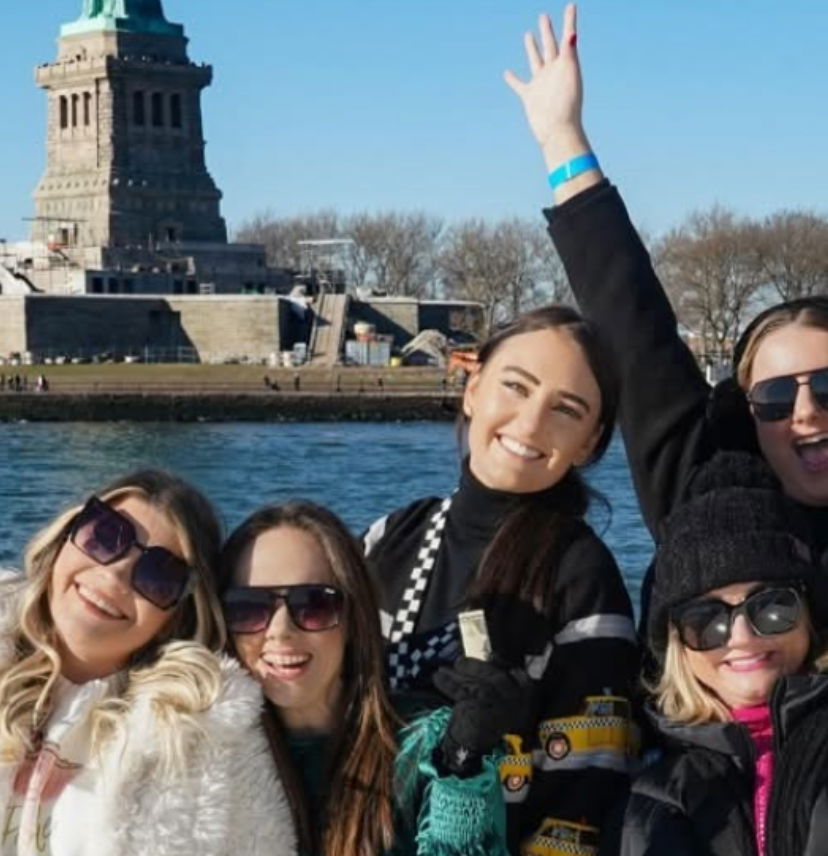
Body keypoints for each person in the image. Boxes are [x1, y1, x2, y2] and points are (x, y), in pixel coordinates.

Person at [505, 7, 828, 557]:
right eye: (775, 396)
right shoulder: (703, 496)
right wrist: (562, 138)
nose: (806, 410)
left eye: (826, 385)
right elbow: (634, 330)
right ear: (747, 414)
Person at [364, 306, 639, 853]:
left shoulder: (581, 575)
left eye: (566, 409)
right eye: (516, 387)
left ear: (590, 443)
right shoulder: (391, 536)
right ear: (473, 389)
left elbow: (584, 801)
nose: (531, 424)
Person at [0, 470, 295, 856]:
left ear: (176, 616)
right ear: (65, 536)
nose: (116, 573)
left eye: (159, 574)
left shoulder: (205, 737)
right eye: (105, 535)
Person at [218, 501, 512, 856]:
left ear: (354, 618)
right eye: (248, 607)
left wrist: (462, 766)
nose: (280, 631)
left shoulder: (429, 747)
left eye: (313, 604)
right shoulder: (212, 752)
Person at [618, 452, 828, 856]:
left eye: (772, 607)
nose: (742, 636)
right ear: (677, 644)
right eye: (705, 619)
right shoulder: (651, 800)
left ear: (809, 615)